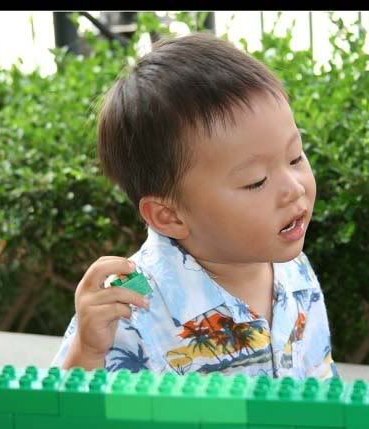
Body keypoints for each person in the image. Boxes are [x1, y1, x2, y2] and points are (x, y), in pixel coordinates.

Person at [52, 33, 339, 380]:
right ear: (169, 216)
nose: (294, 188)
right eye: (256, 181)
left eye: (295, 157)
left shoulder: (294, 270)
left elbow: (319, 380)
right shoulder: (130, 307)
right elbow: (62, 411)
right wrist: (87, 352)